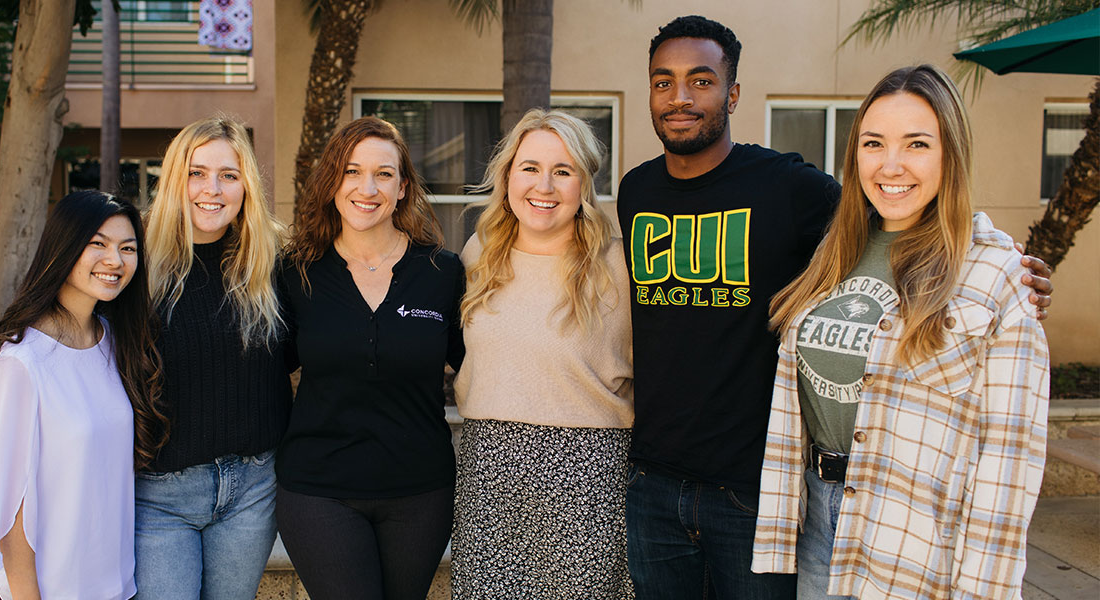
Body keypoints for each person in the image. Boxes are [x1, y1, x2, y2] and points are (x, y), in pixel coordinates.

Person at [616, 15, 1055, 599]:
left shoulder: (789, 188)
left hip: (757, 489)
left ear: (733, 92)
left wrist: (1009, 267)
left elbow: (907, 212)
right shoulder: (637, 192)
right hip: (673, 482)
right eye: (663, 81)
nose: (680, 97)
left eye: (701, 80)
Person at [752, 64, 1049, 599]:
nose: (891, 165)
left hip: (915, 537)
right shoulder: (834, 254)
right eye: (873, 143)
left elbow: (1008, 464)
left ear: (950, 154)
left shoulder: (996, 274)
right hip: (818, 522)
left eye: (916, 144)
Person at [274, 116, 463, 600]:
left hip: (421, 492)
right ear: (332, 183)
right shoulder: (297, 273)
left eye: (384, 173)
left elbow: (478, 367)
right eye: (352, 171)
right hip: (319, 489)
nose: (368, 187)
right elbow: (264, 368)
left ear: (403, 187)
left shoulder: (441, 272)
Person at [451, 109, 635, 598]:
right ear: (508, 175)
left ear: (584, 183)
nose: (544, 185)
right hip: (489, 468)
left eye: (563, 170)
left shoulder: (620, 264)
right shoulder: (479, 253)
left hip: (588, 474)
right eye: (530, 167)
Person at [0, 191, 164, 600]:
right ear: (64, 249)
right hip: (48, 591)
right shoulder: (22, 363)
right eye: (98, 244)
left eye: (128, 248)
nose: (115, 261)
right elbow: (9, 516)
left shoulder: (116, 344)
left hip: (114, 587)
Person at [136, 115, 293, 599]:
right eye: (197, 172)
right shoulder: (135, 261)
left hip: (252, 489)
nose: (213, 189)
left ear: (247, 185)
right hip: (159, 494)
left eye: (229, 175)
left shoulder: (274, 261)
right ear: (174, 180)